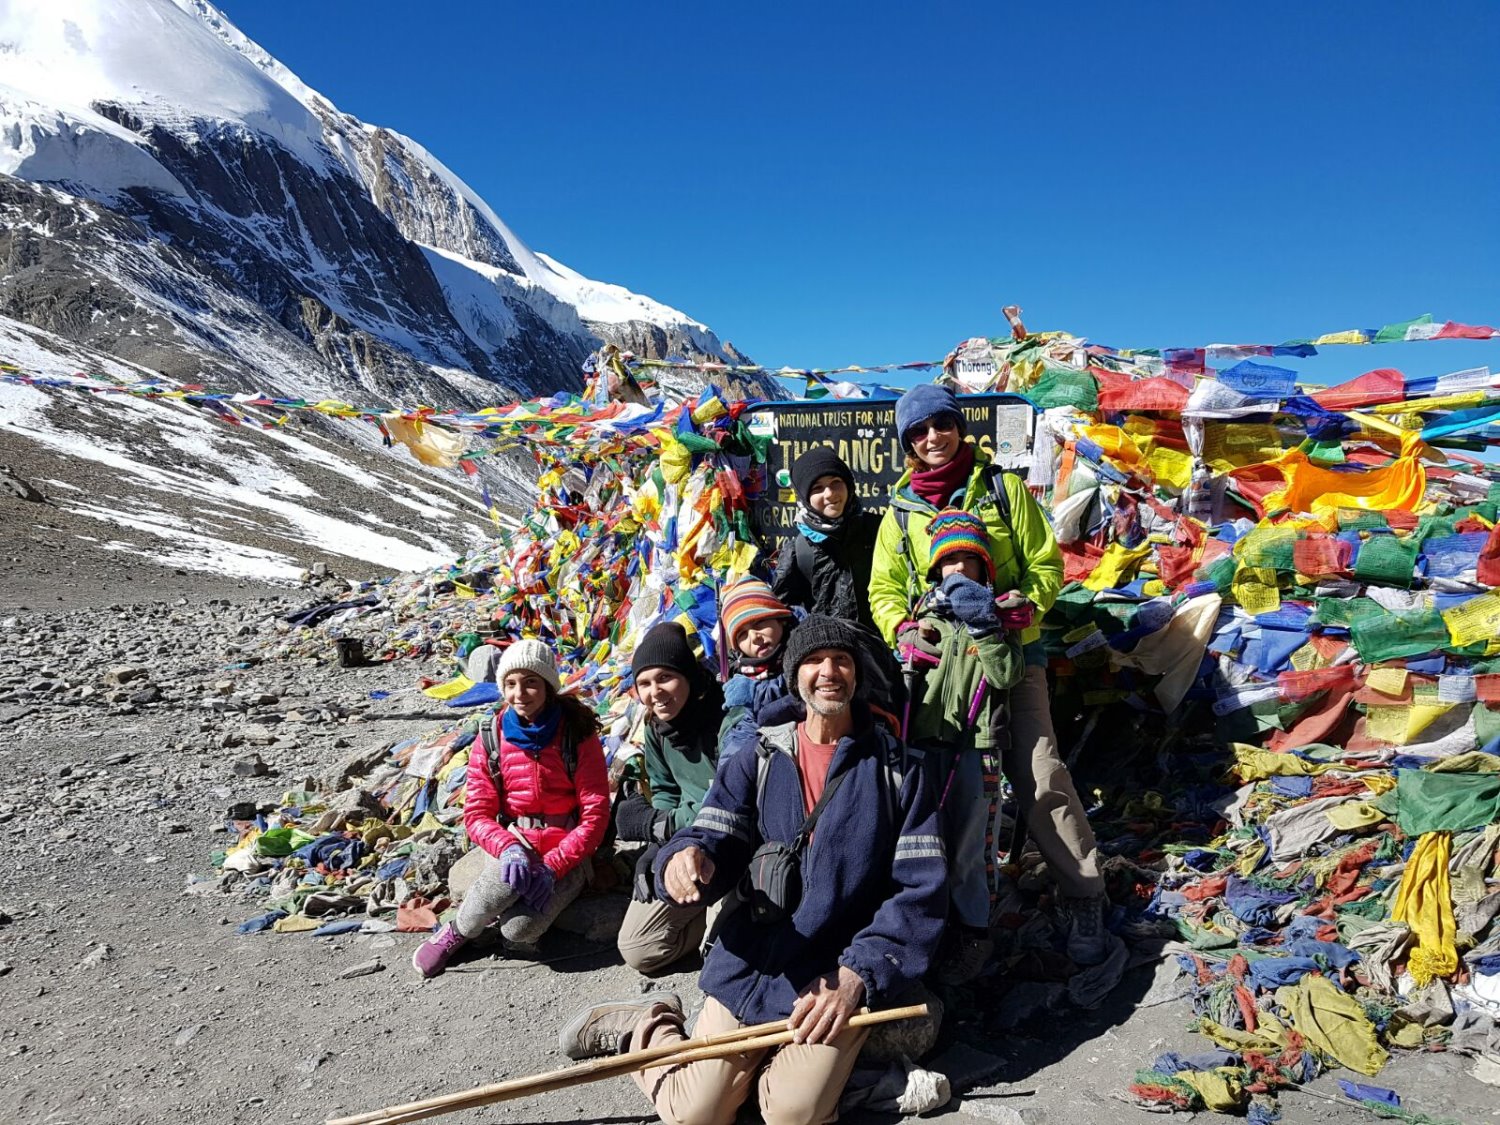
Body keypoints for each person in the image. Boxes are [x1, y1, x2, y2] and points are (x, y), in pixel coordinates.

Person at [558, 616, 946, 1125]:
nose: (828, 671)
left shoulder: (901, 771)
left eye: (842, 661)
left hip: (831, 971)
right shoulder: (758, 754)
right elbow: (715, 829)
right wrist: (690, 856)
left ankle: (791, 1080)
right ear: (793, 676)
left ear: (856, 677)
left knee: (794, 1114)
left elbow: (920, 889)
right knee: (696, 1115)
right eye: (813, 661)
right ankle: (643, 1027)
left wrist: (858, 973)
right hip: (750, 960)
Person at [868, 383, 1109, 966]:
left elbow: (1044, 562)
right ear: (907, 443)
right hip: (938, 676)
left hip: (1012, 658)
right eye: (919, 432)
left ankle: (1084, 892)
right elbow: (883, 589)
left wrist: (1030, 602)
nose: (933, 439)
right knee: (951, 792)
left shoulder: (1002, 491)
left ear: (959, 427)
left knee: (1039, 774)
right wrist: (902, 628)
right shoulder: (900, 516)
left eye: (941, 425)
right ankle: (953, 906)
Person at [411, 639, 610, 977]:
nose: (520, 693)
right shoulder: (491, 736)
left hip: (567, 848)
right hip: (517, 837)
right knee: (506, 881)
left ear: (548, 685)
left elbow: (595, 813)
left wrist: (555, 866)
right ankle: (456, 932)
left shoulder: (577, 733)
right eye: (511, 684)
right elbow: (477, 813)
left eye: (531, 682)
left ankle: (500, 928)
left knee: (518, 930)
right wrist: (508, 848)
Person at [904, 509, 1025, 985]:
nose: (957, 571)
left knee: (971, 845)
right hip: (925, 741)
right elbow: (908, 675)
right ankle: (927, 927)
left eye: (967, 561)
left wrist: (985, 628)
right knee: (920, 839)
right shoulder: (924, 613)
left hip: (976, 746)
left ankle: (975, 932)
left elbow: (1006, 676)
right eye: (948, 562)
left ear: (984, 569)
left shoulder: (997, 617)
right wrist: (910, 650)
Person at [615, 622, 729, 974]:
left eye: (665, 678)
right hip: (688, 842)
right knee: (638, 948)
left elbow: (728, 798)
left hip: (732, 842)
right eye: (645, 683)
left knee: (725, 960)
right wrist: (658, 845)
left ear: (688, 677)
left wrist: (662, 826)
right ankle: (709, 928)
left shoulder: (725, 719)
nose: (655, 692)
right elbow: (666, 790)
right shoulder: (656, 728)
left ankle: (721, 930)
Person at [772, 446, 882, 632]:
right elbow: (781, 613)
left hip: (882, 653)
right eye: (817, 488)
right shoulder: (798, 551)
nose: (830, 494)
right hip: (828, 656)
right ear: (804, 497)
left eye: (836, 482)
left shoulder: (879, 530)